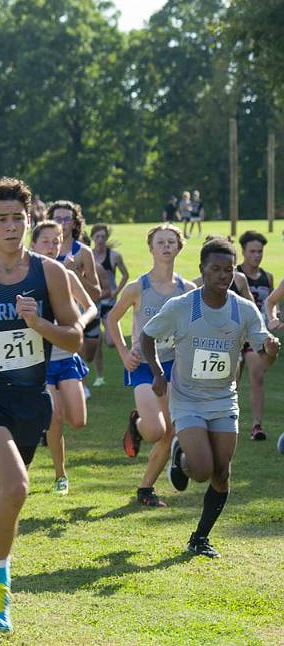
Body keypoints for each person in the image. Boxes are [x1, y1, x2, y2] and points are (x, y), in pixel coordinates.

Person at [0, 178, 81, 634]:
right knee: (16, 486)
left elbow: (74, 338)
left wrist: (38, 322)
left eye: (18, 219)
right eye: (1, 220)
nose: (11, 227)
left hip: (30, 398)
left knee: (0, 495)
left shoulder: (49, 272)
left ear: (29, 221)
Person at [143, 237, 279, 558]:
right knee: (202, 469)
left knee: (222, 472)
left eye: (228, 270)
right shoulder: (181, 307)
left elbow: (263, 355)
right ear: (202, 269)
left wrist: (271, 351)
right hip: (187, 397)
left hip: (223, 399)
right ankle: (182, 456)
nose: (222, 275)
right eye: (215, 269)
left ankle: (199, 538)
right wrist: (156, 372)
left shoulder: (243, 310)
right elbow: (148, 336)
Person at [107, 224, 194, 507]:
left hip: (173, 366)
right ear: (151, 248)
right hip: (143, 365)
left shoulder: (188, 290)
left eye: (172, 241)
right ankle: (137, 422)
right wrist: (123, 353)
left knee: (170, 431)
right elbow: (111, 320)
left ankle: (146, 488)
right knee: (155, 430)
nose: (166, 246)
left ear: (179, 247)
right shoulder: (137, 288)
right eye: (161, 242)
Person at [30, 221, 96, 495]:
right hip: (40, 361)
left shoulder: (66, 275)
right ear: (33, 245)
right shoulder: (26, 276)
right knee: (55, 417)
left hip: (66, 357)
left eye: (55, 241)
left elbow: (91, 307)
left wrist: (79, 324)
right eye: (45, 241)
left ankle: (36, 428)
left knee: (78, 421)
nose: (51, 246)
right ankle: (60, 475)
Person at [46, 201, 102, 390]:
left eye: (67, 218)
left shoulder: (83, 252)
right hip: (54, 313)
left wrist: (75, 273)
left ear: (75, 223)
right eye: (57, 219)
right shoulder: (42, 250)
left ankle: (77, 382)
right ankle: (74, 386)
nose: (62, 223)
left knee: (88, 354)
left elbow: (96, 292)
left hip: (82, 311)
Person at [236, 230, 273, 440]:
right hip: (234, 333)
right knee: (231, 380)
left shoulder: (267, 277)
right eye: (252, 251)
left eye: (260, 251)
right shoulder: (235, 274)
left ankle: (257, 426)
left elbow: (271, 304)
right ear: (243, 251)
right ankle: (225, 421)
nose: (257, 255)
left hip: (255, 335)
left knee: (257, 376)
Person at [89, 223, 128, 389]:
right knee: (96, 341)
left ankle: (127, 365)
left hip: (110, 303)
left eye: (103, 237)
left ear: (106, 238)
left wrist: (116, 291)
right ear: (92, 238)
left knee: (111, 342)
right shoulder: (87, 256)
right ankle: (100, 376)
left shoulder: (114, 256)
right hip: (94, 303)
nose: (100, 240)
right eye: (97, 237)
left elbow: (125, 275)